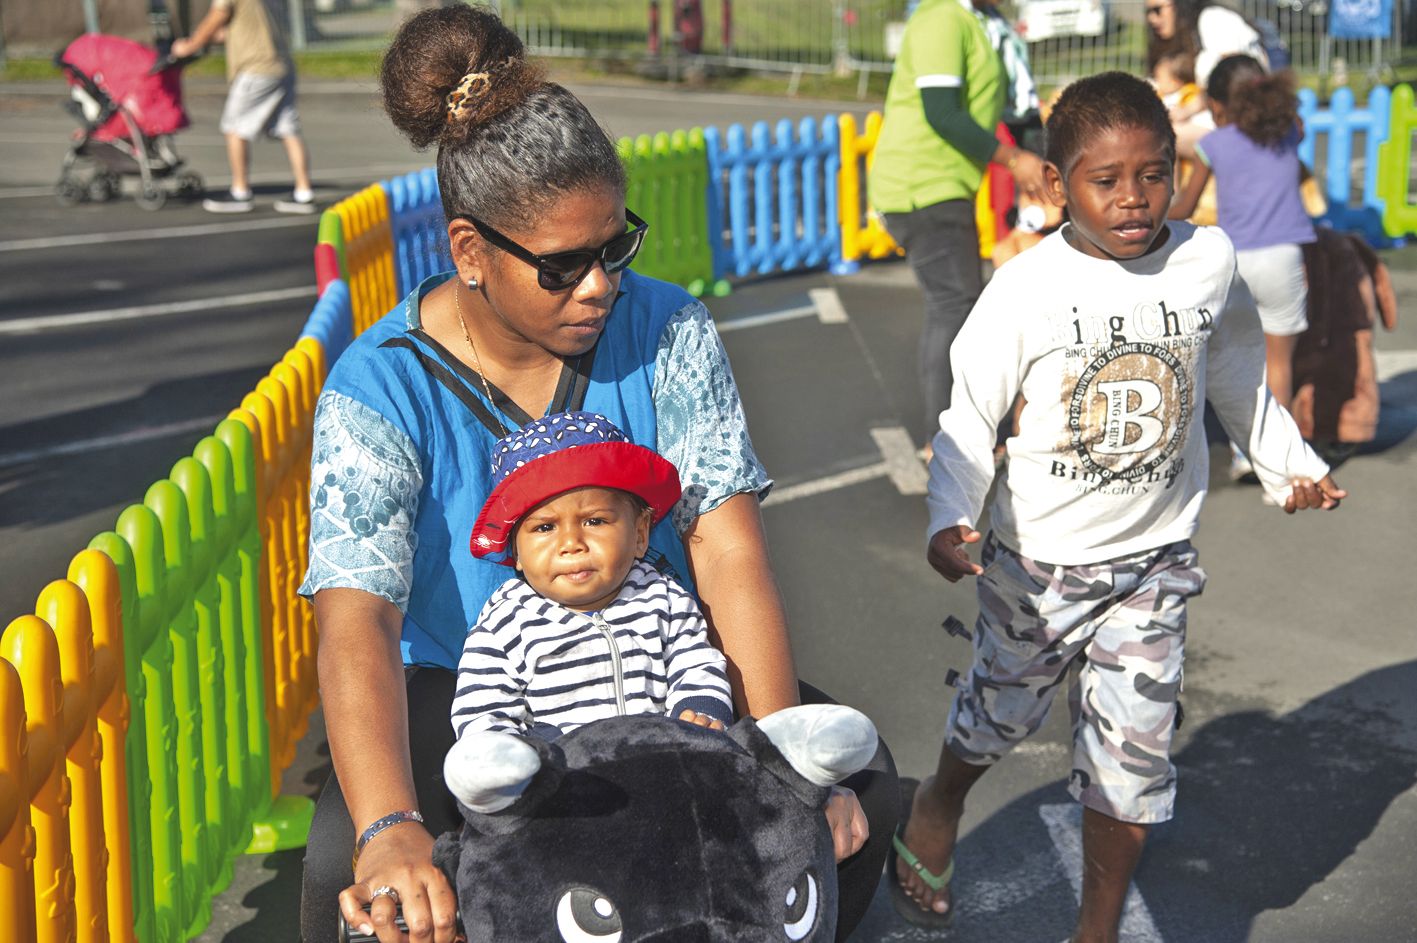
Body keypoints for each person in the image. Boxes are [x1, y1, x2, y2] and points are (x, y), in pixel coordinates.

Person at [298, 7, 896, 943]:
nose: (600, 286)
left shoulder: (670, 328)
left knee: (839, 806)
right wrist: (388, 826)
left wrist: (780, 757)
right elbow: (356, 620)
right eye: (564, 265)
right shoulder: (379, 385)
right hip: (468, 694)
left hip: (654, 668)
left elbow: (725, 548)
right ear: (470, 252)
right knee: (354, 880)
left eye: (615, 248)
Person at [890, 72, 1346, 940]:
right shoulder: (1025, 289)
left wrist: (1288, 462)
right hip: (1037, 564)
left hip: (1153, 561)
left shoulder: (1206, 260)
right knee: (997, 712)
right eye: (1107, 181)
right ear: (1058, 187)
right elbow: (968, 413)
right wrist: (948, 515)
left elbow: (1237, 375)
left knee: (1131, 764)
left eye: (1153, 173)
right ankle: (939, 800)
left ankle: (1094, 928)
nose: (1135, 199)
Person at [447, 410, 734, 745]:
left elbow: (696, 662)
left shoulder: (662, 597)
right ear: (517, 553)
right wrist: (505, 755)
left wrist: (699, 711)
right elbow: (483, 706)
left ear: (640, 534)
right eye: (544, 527)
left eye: (594, 521)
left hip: (664, 761)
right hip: (566, 781)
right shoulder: (506, 621)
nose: (571, 544)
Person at [868, 0, 1047, 444]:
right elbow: (942, 112)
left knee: (960, 303)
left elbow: (1015, 108)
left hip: (945, 185)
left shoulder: (981, 22)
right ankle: (942, 439)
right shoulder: (941, 17)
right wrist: (1014, 160)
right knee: (955, 304)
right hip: (920, 184)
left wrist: (1037, 154)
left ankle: (962, 432)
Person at [1168, 55, 1316, 482]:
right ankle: (1283, 470)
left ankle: (1243, 454)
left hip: (1236, 260)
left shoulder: (1213, 145)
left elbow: (1186, 206)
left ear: (1217, 105)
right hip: (1285, 257)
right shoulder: (1287, 132)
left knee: (1241, 363)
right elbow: (1297, 123)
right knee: (1280, 365)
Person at [171, 0, 315, 213]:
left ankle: (240, 192)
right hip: (281, 64)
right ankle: (304, 192)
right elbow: (238, 28)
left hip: (256, 68)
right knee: (288, 128)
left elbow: (216, 17)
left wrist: (190, 45)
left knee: (234, 127)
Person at [1144, 0, 1269, 159]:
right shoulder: (1187, 33)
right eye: (1148, 12)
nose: (1152, 19)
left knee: (1158, 137)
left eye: (1158, 10)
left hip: (1243, 127)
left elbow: (1234, 80)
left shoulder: (1213, 20)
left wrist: (1188, 109)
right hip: (1215, 123)